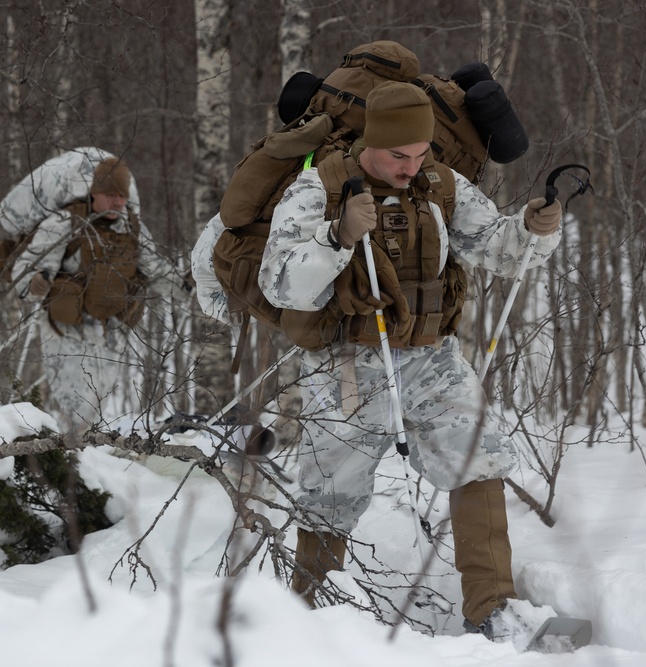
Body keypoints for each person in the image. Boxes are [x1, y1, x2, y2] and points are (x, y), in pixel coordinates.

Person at [254, 82, 563, 636]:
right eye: (399, 155)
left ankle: (494, 609)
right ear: (371, 142)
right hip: (346, 362)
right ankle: (303, 619)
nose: (411, 166)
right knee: (330, 493)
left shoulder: (441, 184)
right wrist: (338, 235)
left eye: (420, 154)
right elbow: (282, 285)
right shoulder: (317, 188)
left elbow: (497, 247)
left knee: (479, 455)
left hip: (430, 357)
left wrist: (533, 228)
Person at [0, 152, 185, 432]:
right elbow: (26, 269)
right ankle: (72, 460)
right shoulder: (65, 223)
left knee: (95, 406)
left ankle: (85, 459)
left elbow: (154, 269)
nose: (117, 202)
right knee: (76, 408)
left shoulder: (133, 227)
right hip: (66, 330)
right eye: (110, 194)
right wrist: (35, 281)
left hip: (109, 330)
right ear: (94, 192)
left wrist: (186, 287)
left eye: (121, 196)